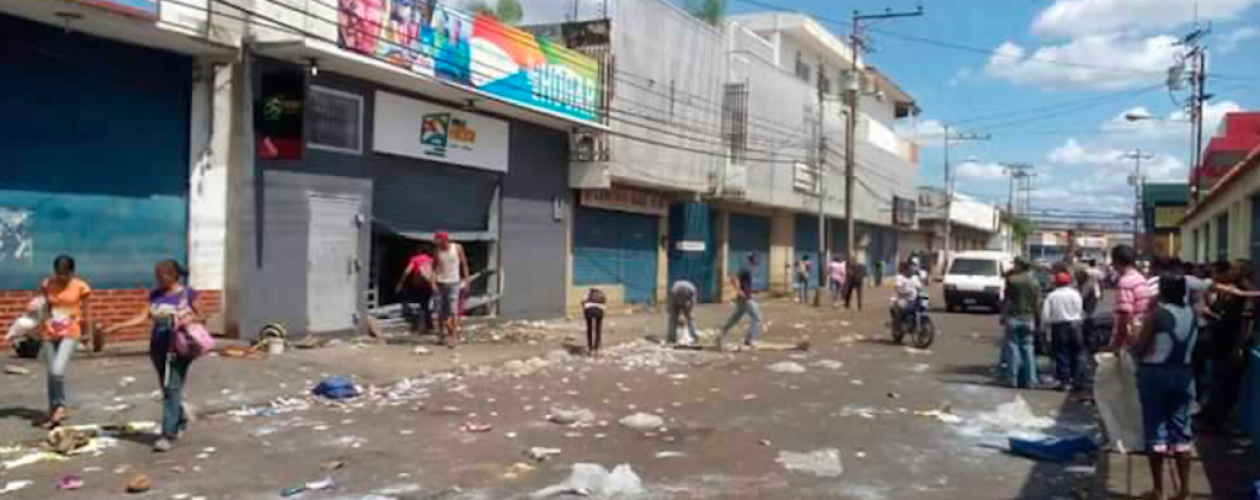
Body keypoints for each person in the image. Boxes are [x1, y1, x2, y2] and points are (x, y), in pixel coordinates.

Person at [104, 260, 202, 452]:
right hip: (158, 346)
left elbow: (203, 315)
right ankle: (180, 416)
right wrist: (118, 326)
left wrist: (185, 319)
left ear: (172, 275)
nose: (157, 279)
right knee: (168, 388)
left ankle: (167, 434)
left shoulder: (187, 294)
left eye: (161, 275)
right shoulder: (156, 295)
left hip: (180, 346)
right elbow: (142, 317)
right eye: (156, 275)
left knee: (170, 386)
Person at [1131, 273, 1197, 500]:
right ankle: (1185, 490)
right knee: (1182, 431)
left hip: (1155, 375)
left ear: (1163, 291)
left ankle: (1158, 491)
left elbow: (1139, 349)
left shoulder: (1157, 315)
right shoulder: (1193, 312)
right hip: (1185, 374)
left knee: (1156, 430)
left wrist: (1133, 334)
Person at [36, 255, 92, 429]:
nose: (61, 277)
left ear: (72, 272)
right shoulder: (47, 284)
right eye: (58, 273)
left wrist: (88, 333)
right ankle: (54, 411)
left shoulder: (81, 287)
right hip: (50, 332)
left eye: (65, 273)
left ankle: (60, 406)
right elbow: (44, 307)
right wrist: (44, 323)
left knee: (57, 370)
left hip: (70, 331)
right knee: (51, 373)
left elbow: (87, 311)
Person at [1199, 260, 1254, 433]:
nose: (1231, 271)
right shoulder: (1231, 290)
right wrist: (1211, 315)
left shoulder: (1246, 292)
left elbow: (1245, 324)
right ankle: (1210, 417)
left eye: (1235, 269)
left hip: (1231, 345)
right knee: (1219, 383)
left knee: (1228, 387)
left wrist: (1238, 348)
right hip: (1220, 344)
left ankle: (1216, 420)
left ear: (1243, 272)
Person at [1001, 258, 1041, 389]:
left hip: (1013, 317)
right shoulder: (1034, 282)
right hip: (1028, 319)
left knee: (1013, 349)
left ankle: (1012, 379)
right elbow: (1037, 304)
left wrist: (1003, 316)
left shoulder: (1012, 281)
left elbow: (1007, 301)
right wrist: (1038, 320)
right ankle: (1031, 380)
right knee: (1028, 349)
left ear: (1019, 266)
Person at [1043, 272, 1084, 391]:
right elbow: (1079, 310)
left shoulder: (1052, 296)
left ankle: (1065, 382)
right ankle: (1076, 380)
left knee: (1062, 354)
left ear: (1056, 282)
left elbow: (1045, 315)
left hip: (1059, 328)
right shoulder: (1075, 294)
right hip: (1075, 326)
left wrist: (1044, 329)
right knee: (1076, 354)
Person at [1108, 245, 1153, 351]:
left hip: (1129, 338)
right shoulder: (1141, 278)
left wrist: (1116, 344)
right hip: (1141, 332)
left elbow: (1125, 316)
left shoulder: (1125, 282)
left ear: (1117, 261)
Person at [433, 232, 469, 348]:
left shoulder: (457, 248)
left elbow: (464, 264)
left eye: (438, 241)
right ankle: (441, 335)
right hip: (440, 282)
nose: (437, 243)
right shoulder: (437, 251)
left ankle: (453, 337)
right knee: (440, 311)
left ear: (445, 240)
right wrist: (432, 282)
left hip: (454, 282)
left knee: (453, 311)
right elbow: (434, 267)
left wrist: (467, 280)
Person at [719, 252, 761, 351]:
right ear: (753, 259)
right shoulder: (746, 268)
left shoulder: (748, 269)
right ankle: (749, 340)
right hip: (745, 299)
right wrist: (739, 291)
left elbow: (743, 282)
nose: (758, 261)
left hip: (743, 298)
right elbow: (733, 277)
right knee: (756, 318)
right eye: (757, 259)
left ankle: (719, 337)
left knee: (733, 319)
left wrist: (751, 291)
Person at [395, 246, 435, 334]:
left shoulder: (415, 259)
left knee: (422, 305)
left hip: (418, 285)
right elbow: (435, 272)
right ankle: (429, 326)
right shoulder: (431, 260)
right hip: (428, 284)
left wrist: (401, 283)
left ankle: (422, 327)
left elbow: (407, 271)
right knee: (425, 304)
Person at [667, 280, 699, 346]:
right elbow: (671, 301)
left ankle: (693, 336)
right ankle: (672, 337)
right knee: (673, 317)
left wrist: (689, 310)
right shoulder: (674, 290)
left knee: (689, 318)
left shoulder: (691, 290)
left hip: (686, 301)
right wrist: (671, 309)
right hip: (675, 301)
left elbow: (693, 302)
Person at [891, 262, 922, 327]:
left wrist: (920, 294)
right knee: (903, 308)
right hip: (903, 299)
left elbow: (919, 288)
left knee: (921, 307)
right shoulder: (900, 278)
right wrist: (904, 293)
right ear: (906, 270)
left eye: (913, 270)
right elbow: (897, 288)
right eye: (910, 270)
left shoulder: (915, 278)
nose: (912, 271)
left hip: (914, 299)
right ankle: (901, 324)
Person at [582, 288, 606, 356]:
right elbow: (604, 304)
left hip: (589, 311)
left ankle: (590, 349)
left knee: (589, 329)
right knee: (598, 330)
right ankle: (596, 350)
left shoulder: (586, 293)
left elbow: (583, 302)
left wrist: (585, 313)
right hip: (600, 311)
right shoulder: (601, 293)